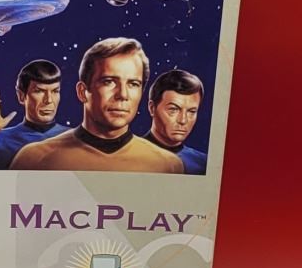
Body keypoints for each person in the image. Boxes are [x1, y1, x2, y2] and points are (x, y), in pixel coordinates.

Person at [11, 39, 183, 173]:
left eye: (133, 84)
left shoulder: (168, 165)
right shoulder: (34, 159)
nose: (123, 94)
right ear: (82, 91)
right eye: (109, 81)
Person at [0, 60, 62, 170]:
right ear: (21, 96)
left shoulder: (74, 138)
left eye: (55, 91)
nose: (49, 100)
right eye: (39, 91)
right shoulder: (0, 141)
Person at [143, 68, 206, 173]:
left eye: (191, 111)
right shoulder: (124, 158)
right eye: (173, 110)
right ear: (152, 108)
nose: (183, 120)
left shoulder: (204, 164)